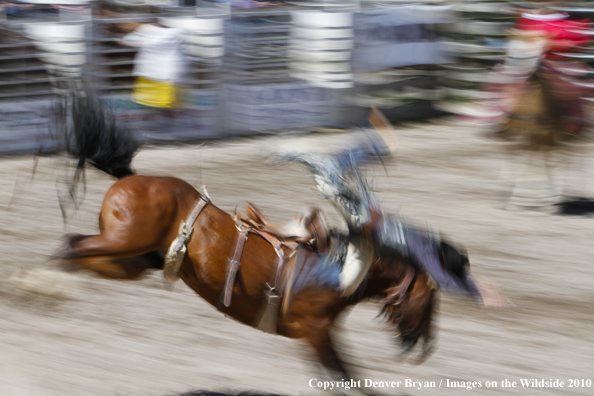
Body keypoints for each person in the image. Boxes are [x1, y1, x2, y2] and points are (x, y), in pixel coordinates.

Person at [288, 129, 507, 308]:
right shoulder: (426, 250)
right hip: (369, 228)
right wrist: (479, 294)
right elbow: (444, 279)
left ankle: (371, 148)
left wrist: (477, 286)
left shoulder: (428, 241)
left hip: (370, 229)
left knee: (335, 190)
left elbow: (450, 276)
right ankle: (365, 150)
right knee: (331, 186)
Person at [119, 21, 188, 111]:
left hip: (158, 77)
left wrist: (121, 40)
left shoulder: (149, 29)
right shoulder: (178, 32)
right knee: (163, 105)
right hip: (162, 76)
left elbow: (129, 40)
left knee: (156, 105)